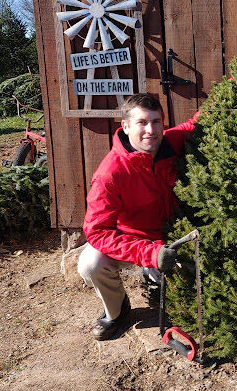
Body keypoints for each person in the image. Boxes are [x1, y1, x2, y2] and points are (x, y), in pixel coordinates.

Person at [77, 94, 198, 341]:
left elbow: (196, 123)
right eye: (142, 122)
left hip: (169, 237)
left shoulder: (170, 143)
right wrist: (149, 254)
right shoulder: (111, 173)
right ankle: (117, 311)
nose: (150, 130)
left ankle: (155, 278)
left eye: (156, 122)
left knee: (173, 292)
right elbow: (97, 231)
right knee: (91, 264)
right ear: (126, 126)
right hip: (133, 241)